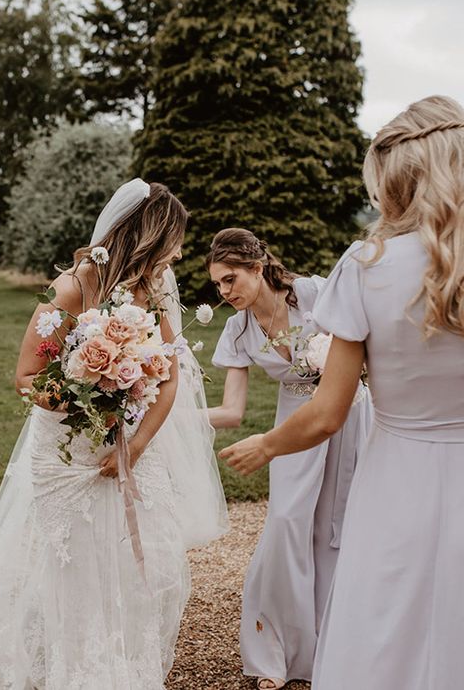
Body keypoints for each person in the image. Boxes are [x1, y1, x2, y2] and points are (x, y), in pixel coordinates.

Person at [219, 95, 464, 689]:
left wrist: (268, 446)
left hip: (399, 471)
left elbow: (327, 413)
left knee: (386, 622)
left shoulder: (366, 265)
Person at [0, 178, 227, 689]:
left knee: (133, 560)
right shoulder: (71, 287)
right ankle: (73, 671)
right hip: (67, 452)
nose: (176, 255)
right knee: (75, 564)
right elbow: (27, 379)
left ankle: (124, 667)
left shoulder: (154, 290)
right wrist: (96, 393)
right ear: (147, 238)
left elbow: (167, 379)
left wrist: (139, 439)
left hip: (130, 448)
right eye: (171, 243)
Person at [206, 228, 373, 690]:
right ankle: (273, 650)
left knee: (335, 526)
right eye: (217, 285)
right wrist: (168, 417)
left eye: (230, 279)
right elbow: (232, 411)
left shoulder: (315, 293)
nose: (224, 292)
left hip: (348, 413)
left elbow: (366, 347)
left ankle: (333, 649)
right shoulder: (237, 329)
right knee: (284, 521)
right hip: (292, 423)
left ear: (258, 268)